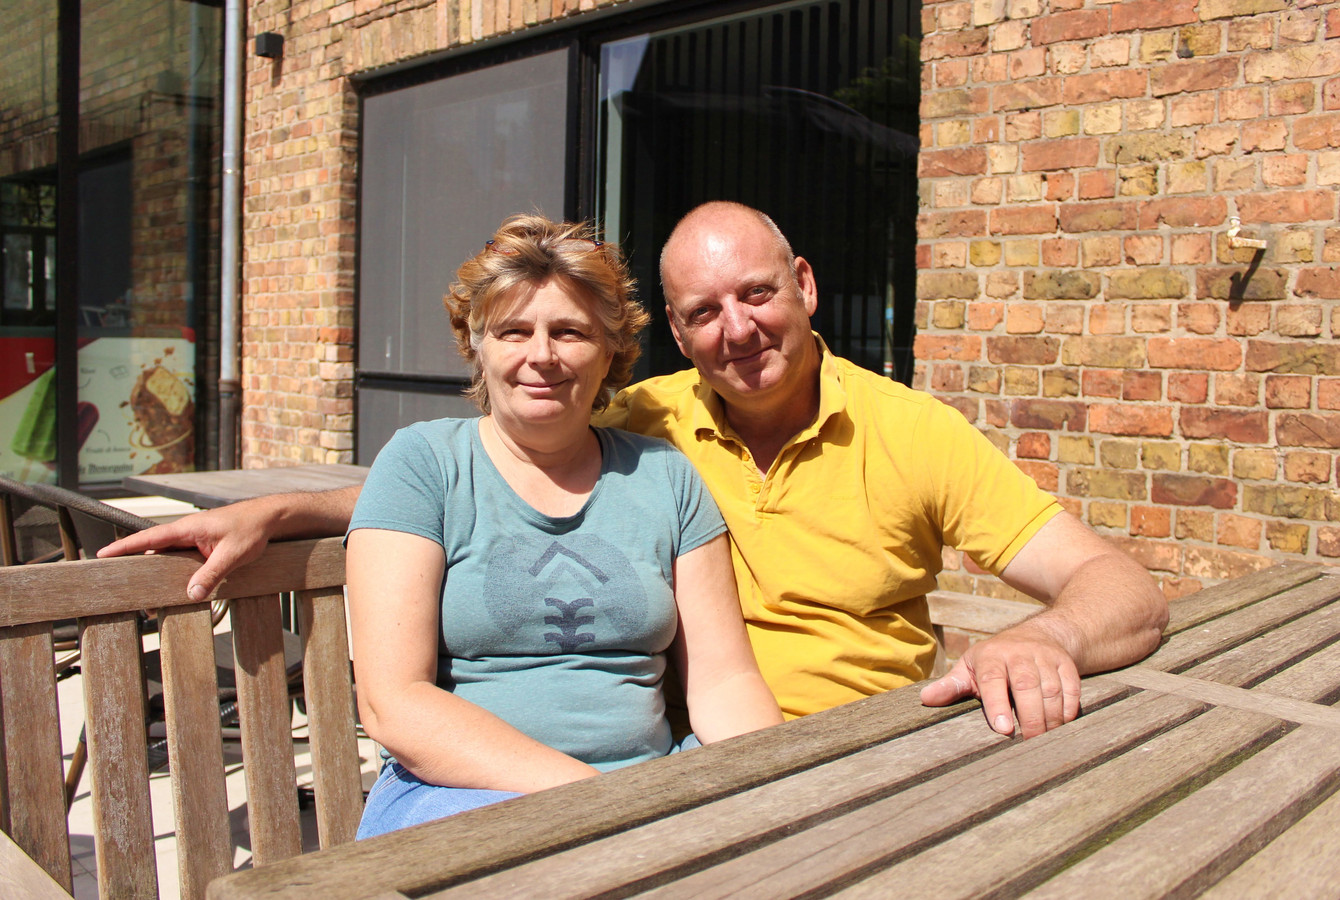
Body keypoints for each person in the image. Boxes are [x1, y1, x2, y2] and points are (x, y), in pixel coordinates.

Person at [103, 202, 1168, 740]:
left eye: (756, 294)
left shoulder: (911, 433)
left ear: (802, 285)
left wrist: (1043, 632)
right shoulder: (645, 426)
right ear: (668, 332)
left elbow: (1119, 588)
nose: (736, 330)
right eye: (703, 312)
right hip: (698, 765)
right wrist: (287, 511)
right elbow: (494, 478)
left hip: (872, 755)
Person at [336, 214, 781, 836]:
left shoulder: (664, 477)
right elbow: (395, 704)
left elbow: (723, 677)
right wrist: (595, 801)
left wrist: (779, 781)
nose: (540, 356)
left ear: (609, 352)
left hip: (647, 786)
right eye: (513, 330)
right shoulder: (423, 464)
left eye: (569, 332)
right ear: (477, 345)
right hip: (463, 795)